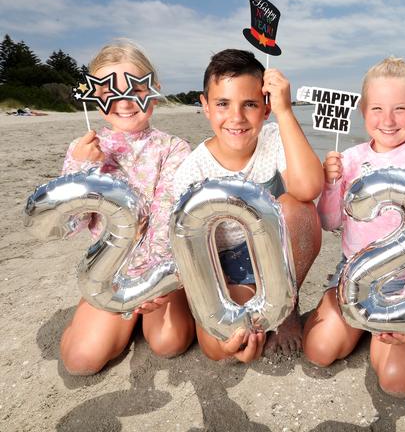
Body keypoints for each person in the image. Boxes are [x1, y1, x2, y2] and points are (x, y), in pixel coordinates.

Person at [303, 57, 405, 397]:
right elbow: (329, 221)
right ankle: (340, 315)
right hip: (354, 276)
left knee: (396, 382)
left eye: (400, 108)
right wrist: (330, 185)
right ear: (362, 110)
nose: (387, 120)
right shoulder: (350, 159)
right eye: (377, 108)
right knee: (319, 351)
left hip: (404, 283)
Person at [173, 49, 322, 362]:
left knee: (299, 208)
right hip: (223, 265)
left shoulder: (274, 136)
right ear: (205, 107)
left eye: (250, 104)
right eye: (223, 104)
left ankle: (286, 310)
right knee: (224, 346)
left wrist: (284, 112)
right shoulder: (192, 171)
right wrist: (223, 321)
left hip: (274, 255)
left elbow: (309, 187)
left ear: (265, 108)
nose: (236, 118)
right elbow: (193, 260)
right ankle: (258, 308)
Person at [60, 40, 195, 375]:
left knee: (170, 343)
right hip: (108, 274)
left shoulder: (174, 149)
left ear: (153, 90)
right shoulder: (82, 150)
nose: (123, 102)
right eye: (109, 92)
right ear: (94, 96)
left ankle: (157, 311)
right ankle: (93, 315)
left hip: (157, 272)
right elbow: (71, 224)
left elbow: (168, 220)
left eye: (134, 88)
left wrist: (152, 284)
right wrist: (80, 169)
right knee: (81, 361)